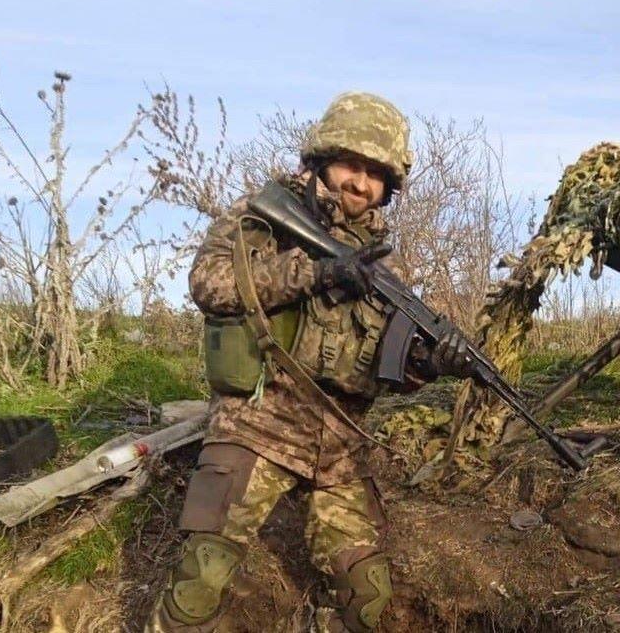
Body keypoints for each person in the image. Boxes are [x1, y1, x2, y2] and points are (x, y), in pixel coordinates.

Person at [147, 92, 472, 632]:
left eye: (375, 173)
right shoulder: (265, 217)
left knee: (367, 599)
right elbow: (209, 283)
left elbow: (387, 371)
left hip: (338, 448)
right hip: (259, 425)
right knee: (197, 588)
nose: (359, 183)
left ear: (388, 188)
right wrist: (316, 274)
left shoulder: (385, 268)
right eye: (351, 164)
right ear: (321, 160)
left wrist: (434, 363)